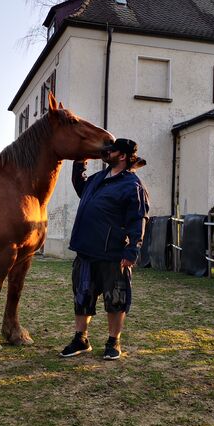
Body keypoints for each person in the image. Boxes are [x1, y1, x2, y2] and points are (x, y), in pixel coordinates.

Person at [60, 138, 149, 360]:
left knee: (116, 298)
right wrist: (79, 162)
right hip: (85, 250)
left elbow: (139, 220)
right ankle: (81, 339)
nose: (106, 152)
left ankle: (113, 341)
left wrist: (132, 251)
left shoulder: (132, 185)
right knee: (82, 296)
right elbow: (81, 187)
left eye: (111, 150)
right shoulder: (99, 179)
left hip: (113, 254)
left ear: (122, 156)